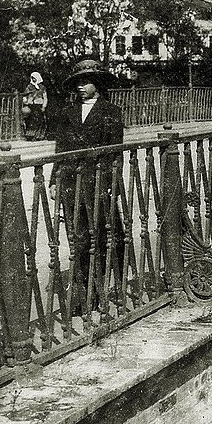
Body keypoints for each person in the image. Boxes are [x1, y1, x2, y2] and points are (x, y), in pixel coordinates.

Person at [48, 59, 125, 316]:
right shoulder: (68, 113)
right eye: (78, 82)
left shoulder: (111, 112)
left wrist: (113, 183)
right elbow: (60, 150)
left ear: (98, 84)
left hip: (98, 184)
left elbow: (115, 153)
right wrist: (53, 180)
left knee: (101, 239)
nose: (81, 87)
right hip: (71, 184)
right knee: (77, 241)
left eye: (86, 81)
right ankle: (81, 298)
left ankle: (99, 292)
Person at [22, 72, 48, 140]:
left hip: (39, 105)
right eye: (32, 78)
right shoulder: (29, 87)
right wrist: (26, 102)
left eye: (35, 78)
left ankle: (39, 136)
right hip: (31, 105)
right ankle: (31, 135)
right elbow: (25, 95)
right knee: (32, 121)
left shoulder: (42, 87)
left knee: (40, 120)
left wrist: (44, 106)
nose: (33, 79)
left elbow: (45, 97)